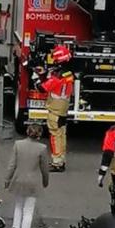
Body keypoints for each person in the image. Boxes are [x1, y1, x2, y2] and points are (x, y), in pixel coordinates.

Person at [3, 123, 50, 228]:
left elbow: (12, 165)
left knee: (18, 208)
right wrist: (45, 181)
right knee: (28, 211)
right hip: (33, 183)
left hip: (18, 180)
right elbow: (45, 169)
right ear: (39, 135)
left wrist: (7, 179)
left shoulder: (18, 145)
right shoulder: (42, 148)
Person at [40, 44, 74, 172]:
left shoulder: (58, 77)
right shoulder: (69, 74)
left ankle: (57, 162)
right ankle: (61, 159)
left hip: (55, 109)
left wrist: (38, 78)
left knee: (55, 135)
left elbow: (43, 88)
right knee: (61, 134)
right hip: (63, 109)